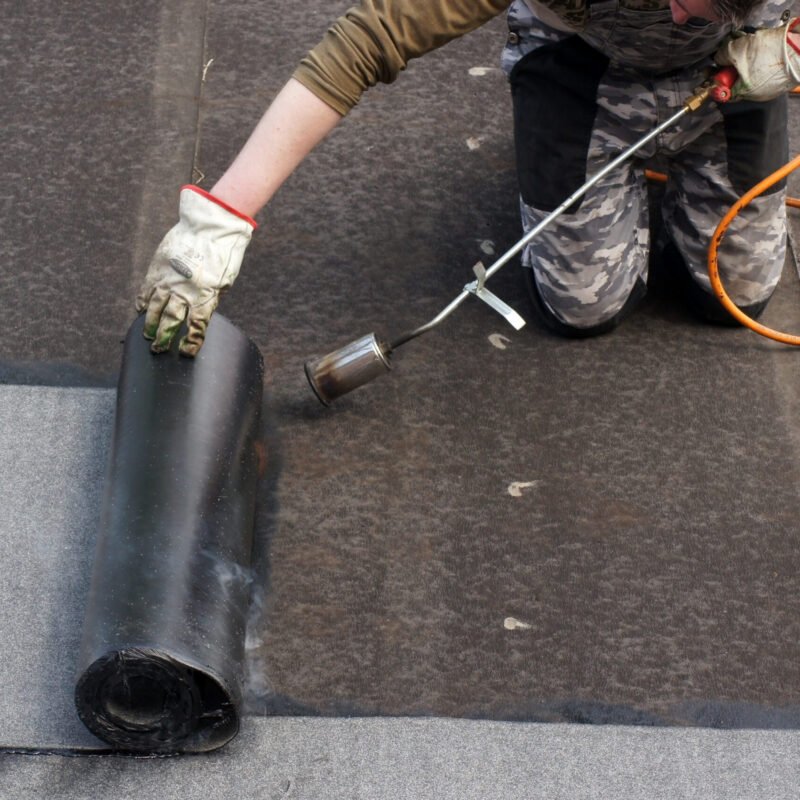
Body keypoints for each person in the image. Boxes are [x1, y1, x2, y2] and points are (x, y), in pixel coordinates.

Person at [135, 0, 800, 355]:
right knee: (584, 307)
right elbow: (363, 44)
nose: (679, 15)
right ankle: (584, 156)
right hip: (588, 65)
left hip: (742, 69)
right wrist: (219, 220)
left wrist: (790, 46)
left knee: (734, 296)